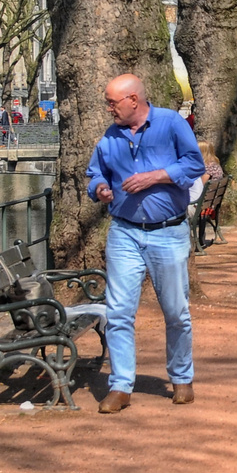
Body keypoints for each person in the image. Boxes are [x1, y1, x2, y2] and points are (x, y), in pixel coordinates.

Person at [88, 74, 206, 413]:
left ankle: (182, 378)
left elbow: (194, 164)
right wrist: (100, 189)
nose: (108, 108)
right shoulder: (110, 136)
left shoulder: (171, 123)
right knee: (119, 312)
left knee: (176, 312)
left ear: (134, 100)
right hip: (124, 232)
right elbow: (95, 173)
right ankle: (121, 385)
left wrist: (155, 176)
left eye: (113, 102)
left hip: (167, 232)